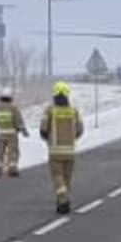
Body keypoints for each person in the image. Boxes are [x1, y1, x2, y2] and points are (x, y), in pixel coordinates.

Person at [37, 81, 84, 214]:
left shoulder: (50, 110)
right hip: (70, 151)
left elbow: (43, 129)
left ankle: (63, 200)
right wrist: (71, 139)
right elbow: (80, 130)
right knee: (67, 177)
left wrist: (47, 139)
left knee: (58, 176)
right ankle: (63, 202)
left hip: (55, 151)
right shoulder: (74, 111)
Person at [0, 88, 29, 178]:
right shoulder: (13, 107)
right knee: (13, 151)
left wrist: (1, 125)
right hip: (12, 134)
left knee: (0, 152)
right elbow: (18, 120)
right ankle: (12, 170)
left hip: (1, 133)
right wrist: (23, 130)